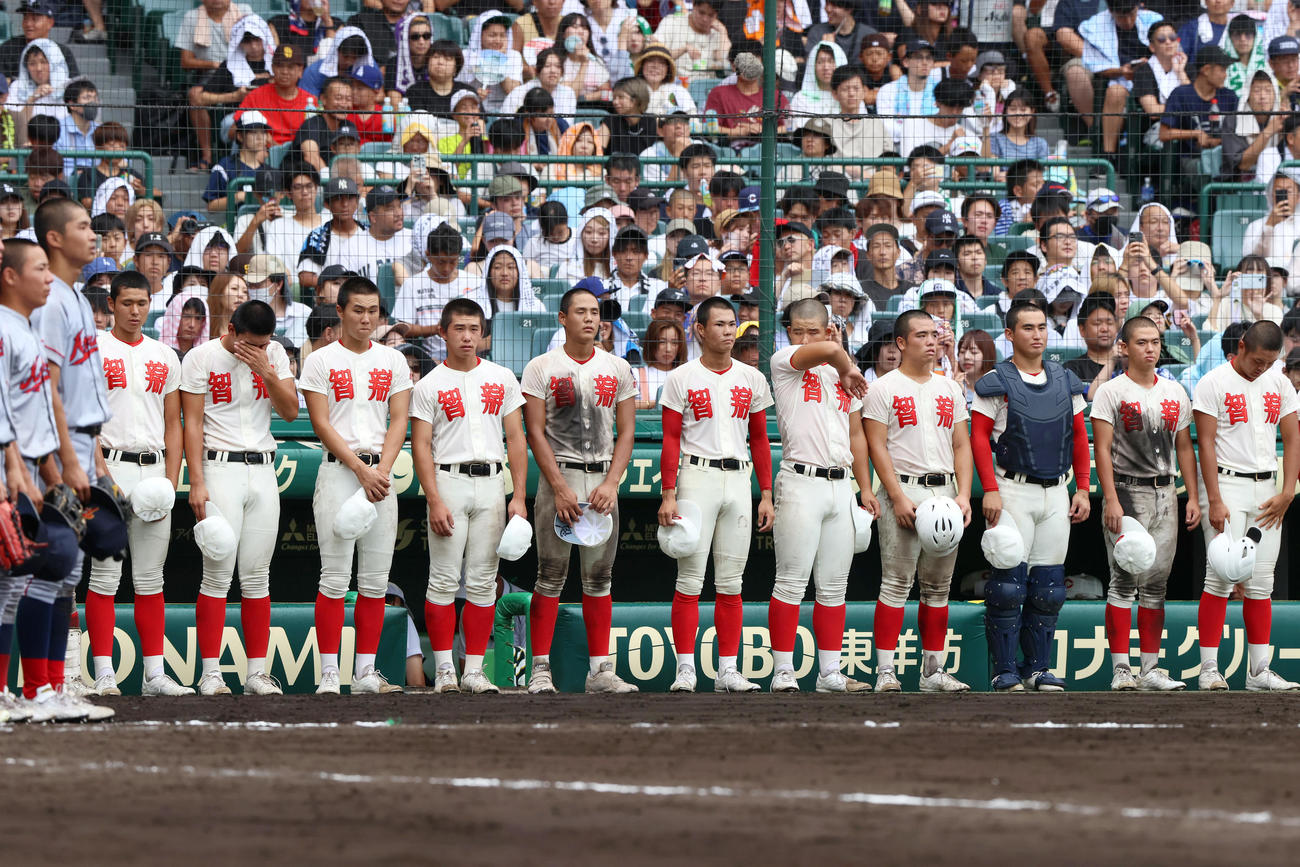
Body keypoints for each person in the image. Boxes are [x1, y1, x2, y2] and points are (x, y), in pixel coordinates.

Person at [0, 237, 111, 722]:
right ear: (10, 275)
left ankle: (40, 689)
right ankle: (31, 689)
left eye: (49, 270)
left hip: (39, 458)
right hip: (17, 461)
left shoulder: (25, 325)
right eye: (37, 269)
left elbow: (41, 405)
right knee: (21, 573)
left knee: (40, 571)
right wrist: (19, 466)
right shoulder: (9, 330)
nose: (46, 278)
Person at [520, 286, 639, 694]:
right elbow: (533, 431)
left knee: (600, 577)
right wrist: (558, 487)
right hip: (560, 477)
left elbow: (627, 433)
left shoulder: (618, 368)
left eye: (595, 312)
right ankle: (539, 669)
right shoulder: (542, 367)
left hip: (603, 478)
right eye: (581, 312)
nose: (590, 319)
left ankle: (600, 671)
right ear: (562, 318)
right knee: (550, 575)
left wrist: (612, 482)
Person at [408, 297, 528, 694]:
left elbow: (516, 439)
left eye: (474, 329)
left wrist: (519, 496)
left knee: (482, 581)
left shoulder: (502, 377)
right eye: (458, 328)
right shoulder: (428, 384)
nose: (466, 336)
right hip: (449, 481)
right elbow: (421, 446)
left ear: (483, 334)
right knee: (442, 581)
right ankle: (444, 670)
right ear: (442, 333)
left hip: (494, 483)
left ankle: (474, 669)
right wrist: (434, 499)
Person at [180, 299, 298, 696]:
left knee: (257, 576)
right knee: (216, 574)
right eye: (251, 343)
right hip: (219, 467)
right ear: (231, 330)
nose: (258, 350)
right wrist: (196, 481)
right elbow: (191, 423)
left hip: (264, 469)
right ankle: (211, 672)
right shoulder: (201, 358)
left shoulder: (275, 355)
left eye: (264, 344)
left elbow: (289, 412)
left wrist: (267, 370)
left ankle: (257, 673)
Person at [972, 302, 1092, 692]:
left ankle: (1037, 669)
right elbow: (978, 437)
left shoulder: (1065, 380)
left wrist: (1084, 488)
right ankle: (1004, 670)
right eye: (1027, 327)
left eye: (1042, 326)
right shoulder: (996, 380)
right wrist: (989, 488)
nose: (1037, 334)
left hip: (1057, 491)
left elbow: (1078, 437)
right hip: (1011, 490)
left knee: (1049, 587)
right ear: (1010, 334)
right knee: (1008, 586)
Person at [83, 271, 192, 696]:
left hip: (154, 471)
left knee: (151, 579)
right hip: (108, 466)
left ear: (151, 305)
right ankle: (105, 674)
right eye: (126, 303)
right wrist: (102, 479)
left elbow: (174, 423)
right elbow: (83, 421)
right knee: (103, 577)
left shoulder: (165, 355)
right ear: (111, 304)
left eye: (141, 303)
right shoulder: (92, 349)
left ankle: (154, 675)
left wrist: (171, 480)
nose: (134, 311)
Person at [299, 276, 410, 696]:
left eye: (373, 310)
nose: (366, 318)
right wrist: (361, 470)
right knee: (333, 578)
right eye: (358, 310)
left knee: (376, 581)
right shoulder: (321, 360)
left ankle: (365, 672)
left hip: (381, 474)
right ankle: (330, 672)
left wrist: (381, 468)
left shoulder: (393, 361)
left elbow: (398, 419)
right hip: (339, 473)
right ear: (341, 312)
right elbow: (320, 423)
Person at [658, 295, 773, 694]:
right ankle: (685, 668)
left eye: (732, 324)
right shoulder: (681, 377)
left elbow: (759, 439)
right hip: (696, 476)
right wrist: (668, 493)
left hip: (739, 479)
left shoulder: (751, 377)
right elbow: (670, 439)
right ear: (700, 329)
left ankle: (728, 669)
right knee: (689, 579)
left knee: (731, 582)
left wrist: (767, 493)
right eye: (720, 324)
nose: (728, 331)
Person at [767, 298, 878, 693]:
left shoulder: (841, 375)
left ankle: (830, 672)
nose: (805, 338)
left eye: (813, 331)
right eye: (798, 330)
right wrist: (843, 362)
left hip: (840, 484)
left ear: (828, 329)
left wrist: (865, 488)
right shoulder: (785, 361)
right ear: (789, 333)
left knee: (834, 587)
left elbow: (856, 435)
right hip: (800, 481)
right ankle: (783, 671)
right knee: (790, 583)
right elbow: (831, 353)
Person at [862, 310, 974, 694]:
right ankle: (885, 672)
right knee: (895, 584)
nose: (931, 341)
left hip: (944, 493)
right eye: (921, 334)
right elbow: (876, 445)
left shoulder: (950, 388)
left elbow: (962, 444)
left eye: (934, 334)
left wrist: (963, 494)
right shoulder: (883, 387)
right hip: (904, 490)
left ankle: (933, 671)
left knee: (938, 588)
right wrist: (895, 496)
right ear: (900, 343)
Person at [1092, 315, 1201, 693]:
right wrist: (1109, 498)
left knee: (1156, 585)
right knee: (1123, 582)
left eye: (1155, 341)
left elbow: (1185, 447)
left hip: (1167, 492)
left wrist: (1193, 495)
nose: (1150, 348)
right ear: (1124, 347)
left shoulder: (1174, 392)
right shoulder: (1112, 392)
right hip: (1126, 490)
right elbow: (1101, 449)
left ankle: (1150, 668)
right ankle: (1121, 668)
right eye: (1141, 342)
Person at [31, 199, 112, 700]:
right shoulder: (53, 302)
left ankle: (55, 684)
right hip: (57, 446)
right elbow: (48, 387)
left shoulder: (78, 297)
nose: (94, 234)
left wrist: (96, 458)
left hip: (81, 441)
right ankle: (40, 686)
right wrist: (63, 461)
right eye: (82, 226)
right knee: (51, 567)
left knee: (69, 574)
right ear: (55, 238)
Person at [1192, 321, 1300, 691]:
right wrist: (1215, 500)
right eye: (1257, 360)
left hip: (1268, 487)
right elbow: (1204, 443)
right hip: (1226, 484)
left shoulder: (1280, 383)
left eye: (1270, 362)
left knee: (1261, 583)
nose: (1262, 368)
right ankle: (1208, 668)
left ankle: (1258, 672)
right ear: (1241, 347)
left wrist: (1289, 491)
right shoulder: (1213, 382)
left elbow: (1292, 436)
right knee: (1220, 576)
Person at [236, 43, 312, 146]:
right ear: (272, 68)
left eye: (290, 67)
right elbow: (234, 131)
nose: (285, 71)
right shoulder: (256, 96)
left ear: (300, 71)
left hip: (299, 155)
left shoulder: (311, 101)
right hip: (262, 153)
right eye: (280, 66)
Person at [652, 0, 730, 83]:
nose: (705, 19)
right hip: (674, 87)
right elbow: (656, 56)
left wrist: (723, 32)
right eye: (701, 12)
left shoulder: (718, 33)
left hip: (706, 88)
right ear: (693, 5)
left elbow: (723, 62)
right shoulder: (671, 22)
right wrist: (683, 49)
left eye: (711, 15)